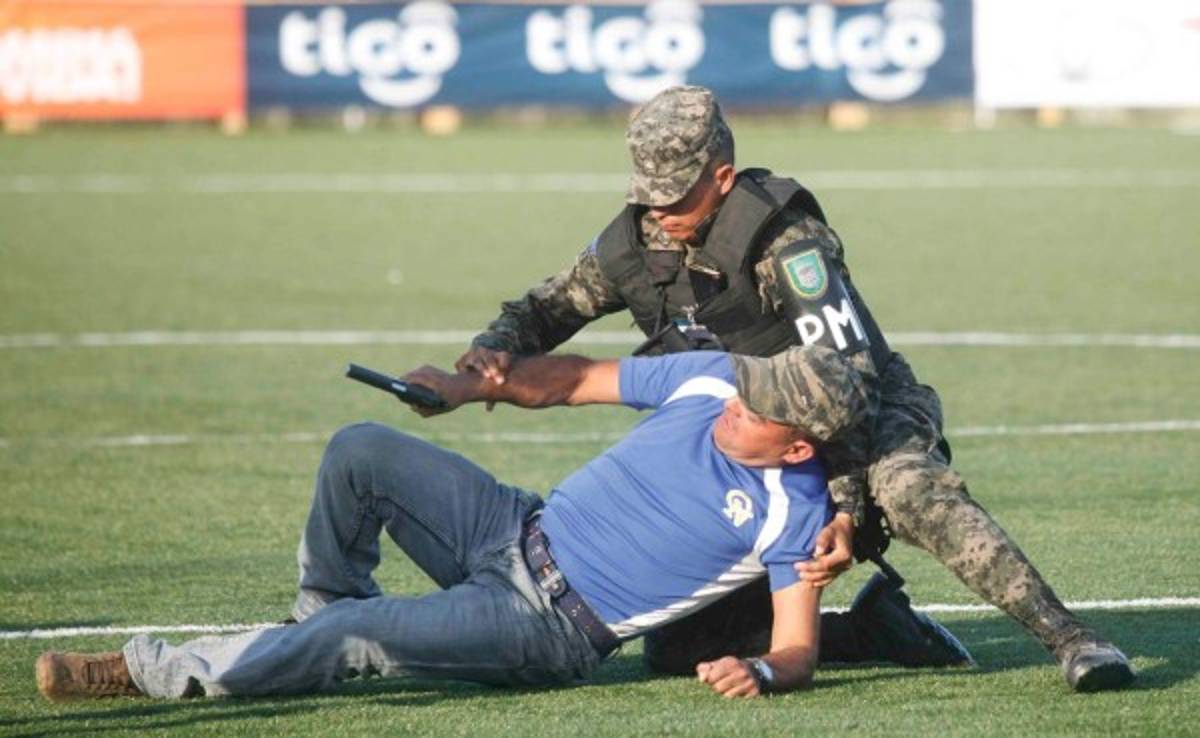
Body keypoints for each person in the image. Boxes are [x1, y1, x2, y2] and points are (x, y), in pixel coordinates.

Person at [454, 86, 1134, 691]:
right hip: (756, 448)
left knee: (909, 490)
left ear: (720, 178)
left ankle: (1073, 639)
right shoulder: (639, 243)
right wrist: (492, 353)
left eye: (676, 197)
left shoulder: (786, 242)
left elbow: (850, 385)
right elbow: (544, 309)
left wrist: (842, 503)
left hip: (862, 428)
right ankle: (870, 633)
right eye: (647, 196)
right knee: (680, 650)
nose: (658, 213)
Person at [36, 347, 960, 702]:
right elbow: (576, 378)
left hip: (548, 627)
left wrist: (762, 667)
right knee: (361, 448)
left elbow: (795, 648)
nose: (736, 403)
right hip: (513, 523)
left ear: (797, 448)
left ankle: (154, 673)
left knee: (357, 635)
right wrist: (480, 381)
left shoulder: (793, 512)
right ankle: (309, 618)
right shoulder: (718, 377)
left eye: (759, 411)